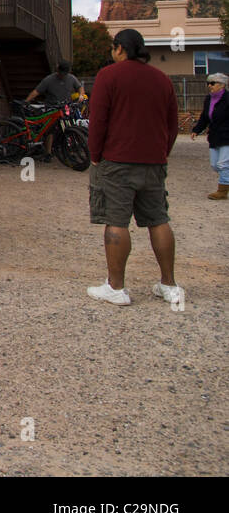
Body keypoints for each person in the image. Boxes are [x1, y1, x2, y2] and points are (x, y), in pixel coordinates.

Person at [86, 29, 181, 307]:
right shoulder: (162, 79)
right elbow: (172, 125)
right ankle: (169, 285)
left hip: (117, 161)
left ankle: (116, 288)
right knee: (158, 219)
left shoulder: (109, 76)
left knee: (116, 221)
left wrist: (95, 155)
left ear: (119, 49)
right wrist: (162, 152)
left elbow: (98, 120)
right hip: (153, 161)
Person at [190, 71, 229, 200]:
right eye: (208, 83)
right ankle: (226, 180)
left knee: (223, 164)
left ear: (222, 85)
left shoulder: (227, 99)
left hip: (227, 136)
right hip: (214, 136)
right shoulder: (209, 99)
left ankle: (222, 191)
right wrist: (196, 129)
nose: (209, 86)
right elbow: (204, 118)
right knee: (215, 165)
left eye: (212, 83)